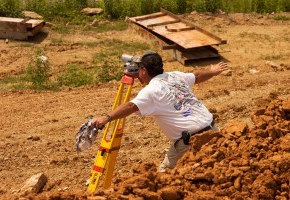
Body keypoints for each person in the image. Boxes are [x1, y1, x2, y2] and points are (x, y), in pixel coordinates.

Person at [92, 51, 229, 172]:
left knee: (164, 176)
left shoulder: (151, 91)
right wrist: (213, 71)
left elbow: (130, 107)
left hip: (190, 141)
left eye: (139, 69)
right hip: (213, 130)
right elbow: (197, 76)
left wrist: (106, 117)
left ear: (144, 71)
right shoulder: (175, 76)